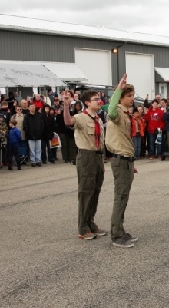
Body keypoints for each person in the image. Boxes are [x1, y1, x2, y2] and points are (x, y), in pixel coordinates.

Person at [63, 89, 107, 240]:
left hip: (98, 157)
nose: (99, 101)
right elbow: (68, 122)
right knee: (85, 192)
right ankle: (83, 227)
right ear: (87, 102)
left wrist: (102, 161)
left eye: (99, 98)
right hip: (86, 157)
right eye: (96, 99)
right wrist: (66, 106)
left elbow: (100, 141)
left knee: (95, 192)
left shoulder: (98, 119)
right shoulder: (81, 117)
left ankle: (91, 223)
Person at [106, 74, 139, 248]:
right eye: (129, 96)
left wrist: (131, 163)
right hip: (120, 160)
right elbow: (110, 110)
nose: (132, 99)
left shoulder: (126, 113)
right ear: (121, 98)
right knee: (120, 197)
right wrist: (118, 89)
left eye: (133, 95)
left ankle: (120, 229)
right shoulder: (117, 112)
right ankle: (116, 235)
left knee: (124, 197)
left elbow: (125, 139)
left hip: (126, 159)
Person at [23, 102, 44, 167]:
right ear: (29, 108)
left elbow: (42, 125)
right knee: (32, 149)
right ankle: (33, 161)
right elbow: (25, 126)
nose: (33, 108)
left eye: (34, 107)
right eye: (31, 107)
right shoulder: (27, 116)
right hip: (30, 135)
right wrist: (28, 133)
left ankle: (38, 160)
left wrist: (41, 132)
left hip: (38, 135)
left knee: (38, 149)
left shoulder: (39, 116)